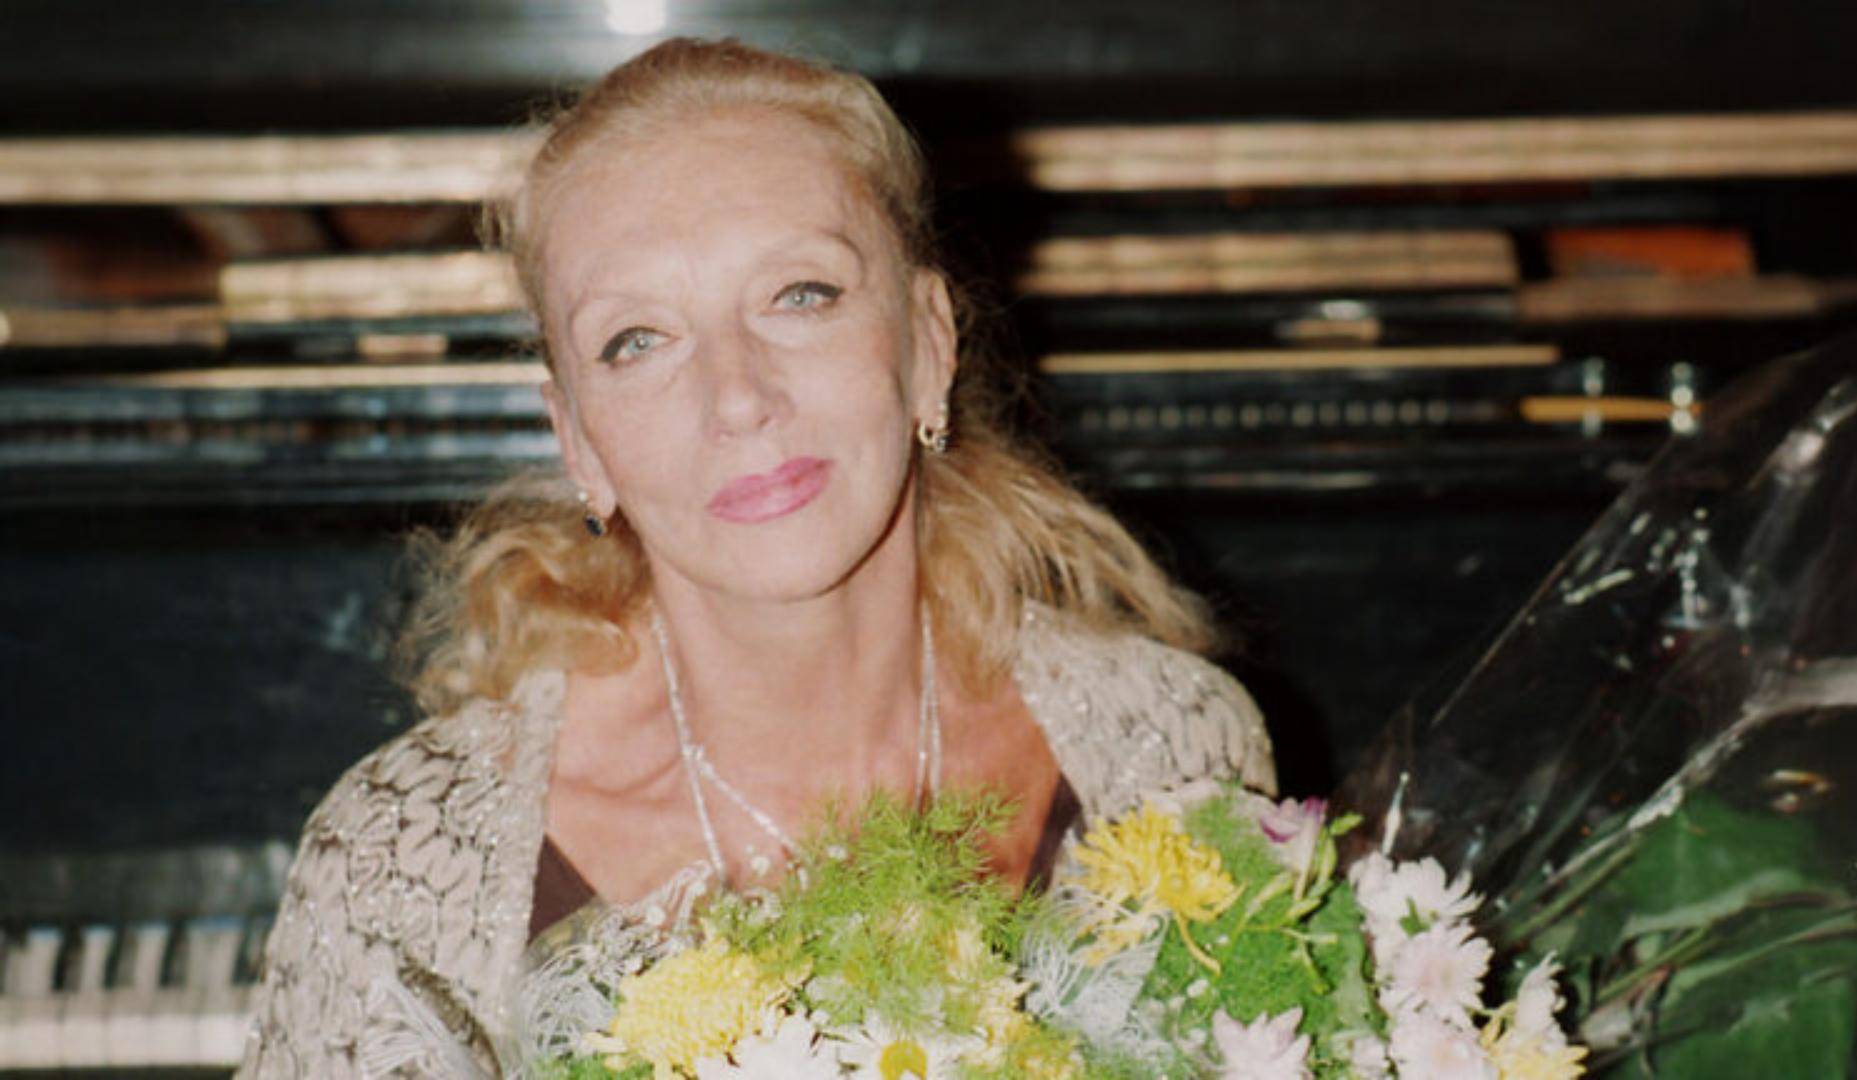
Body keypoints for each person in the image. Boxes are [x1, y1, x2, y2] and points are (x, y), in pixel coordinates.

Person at [239, 37, 1275, 1077]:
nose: (737, 398)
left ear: (928, 341)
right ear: (578, 440)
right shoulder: (398, 876)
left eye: (800, 294)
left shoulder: (1170, 750)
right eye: (638, 340)